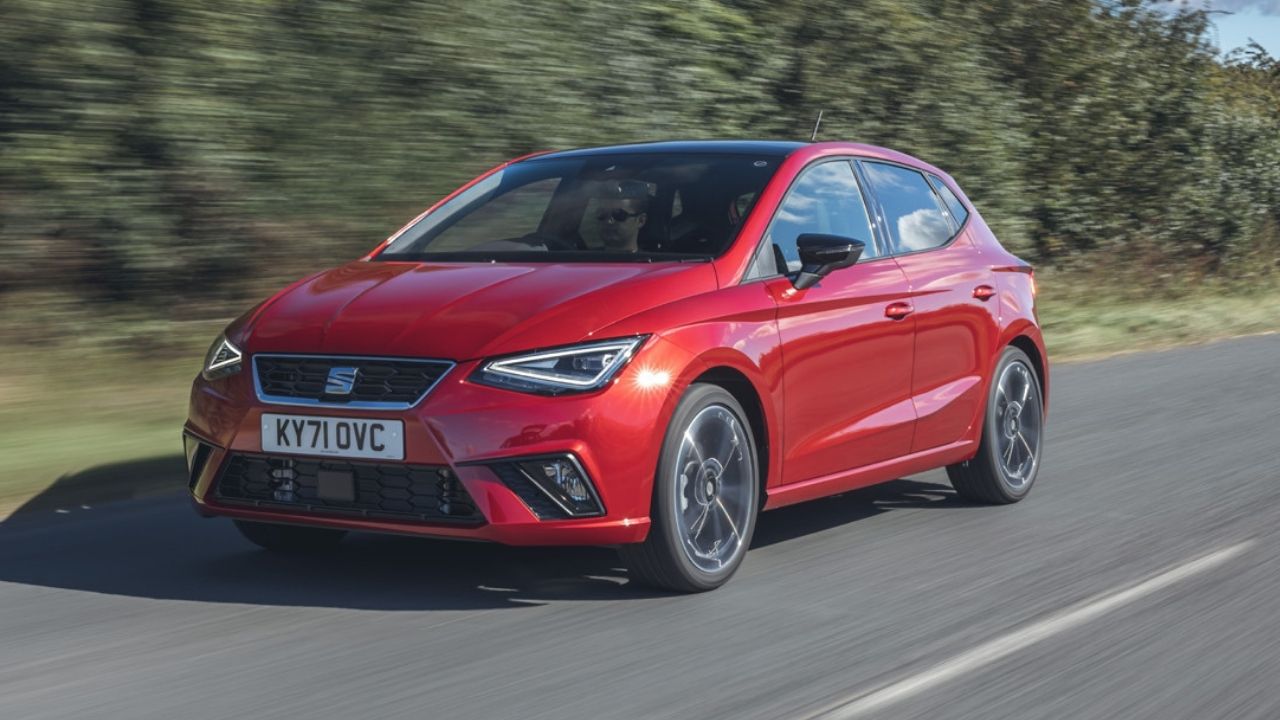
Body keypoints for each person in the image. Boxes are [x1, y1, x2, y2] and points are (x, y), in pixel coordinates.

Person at [592, 179, 650, 252]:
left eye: (619, 215)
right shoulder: (582, 260)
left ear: (641, 221)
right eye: (602, 214)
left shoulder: (654, 262)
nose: (608, 221)